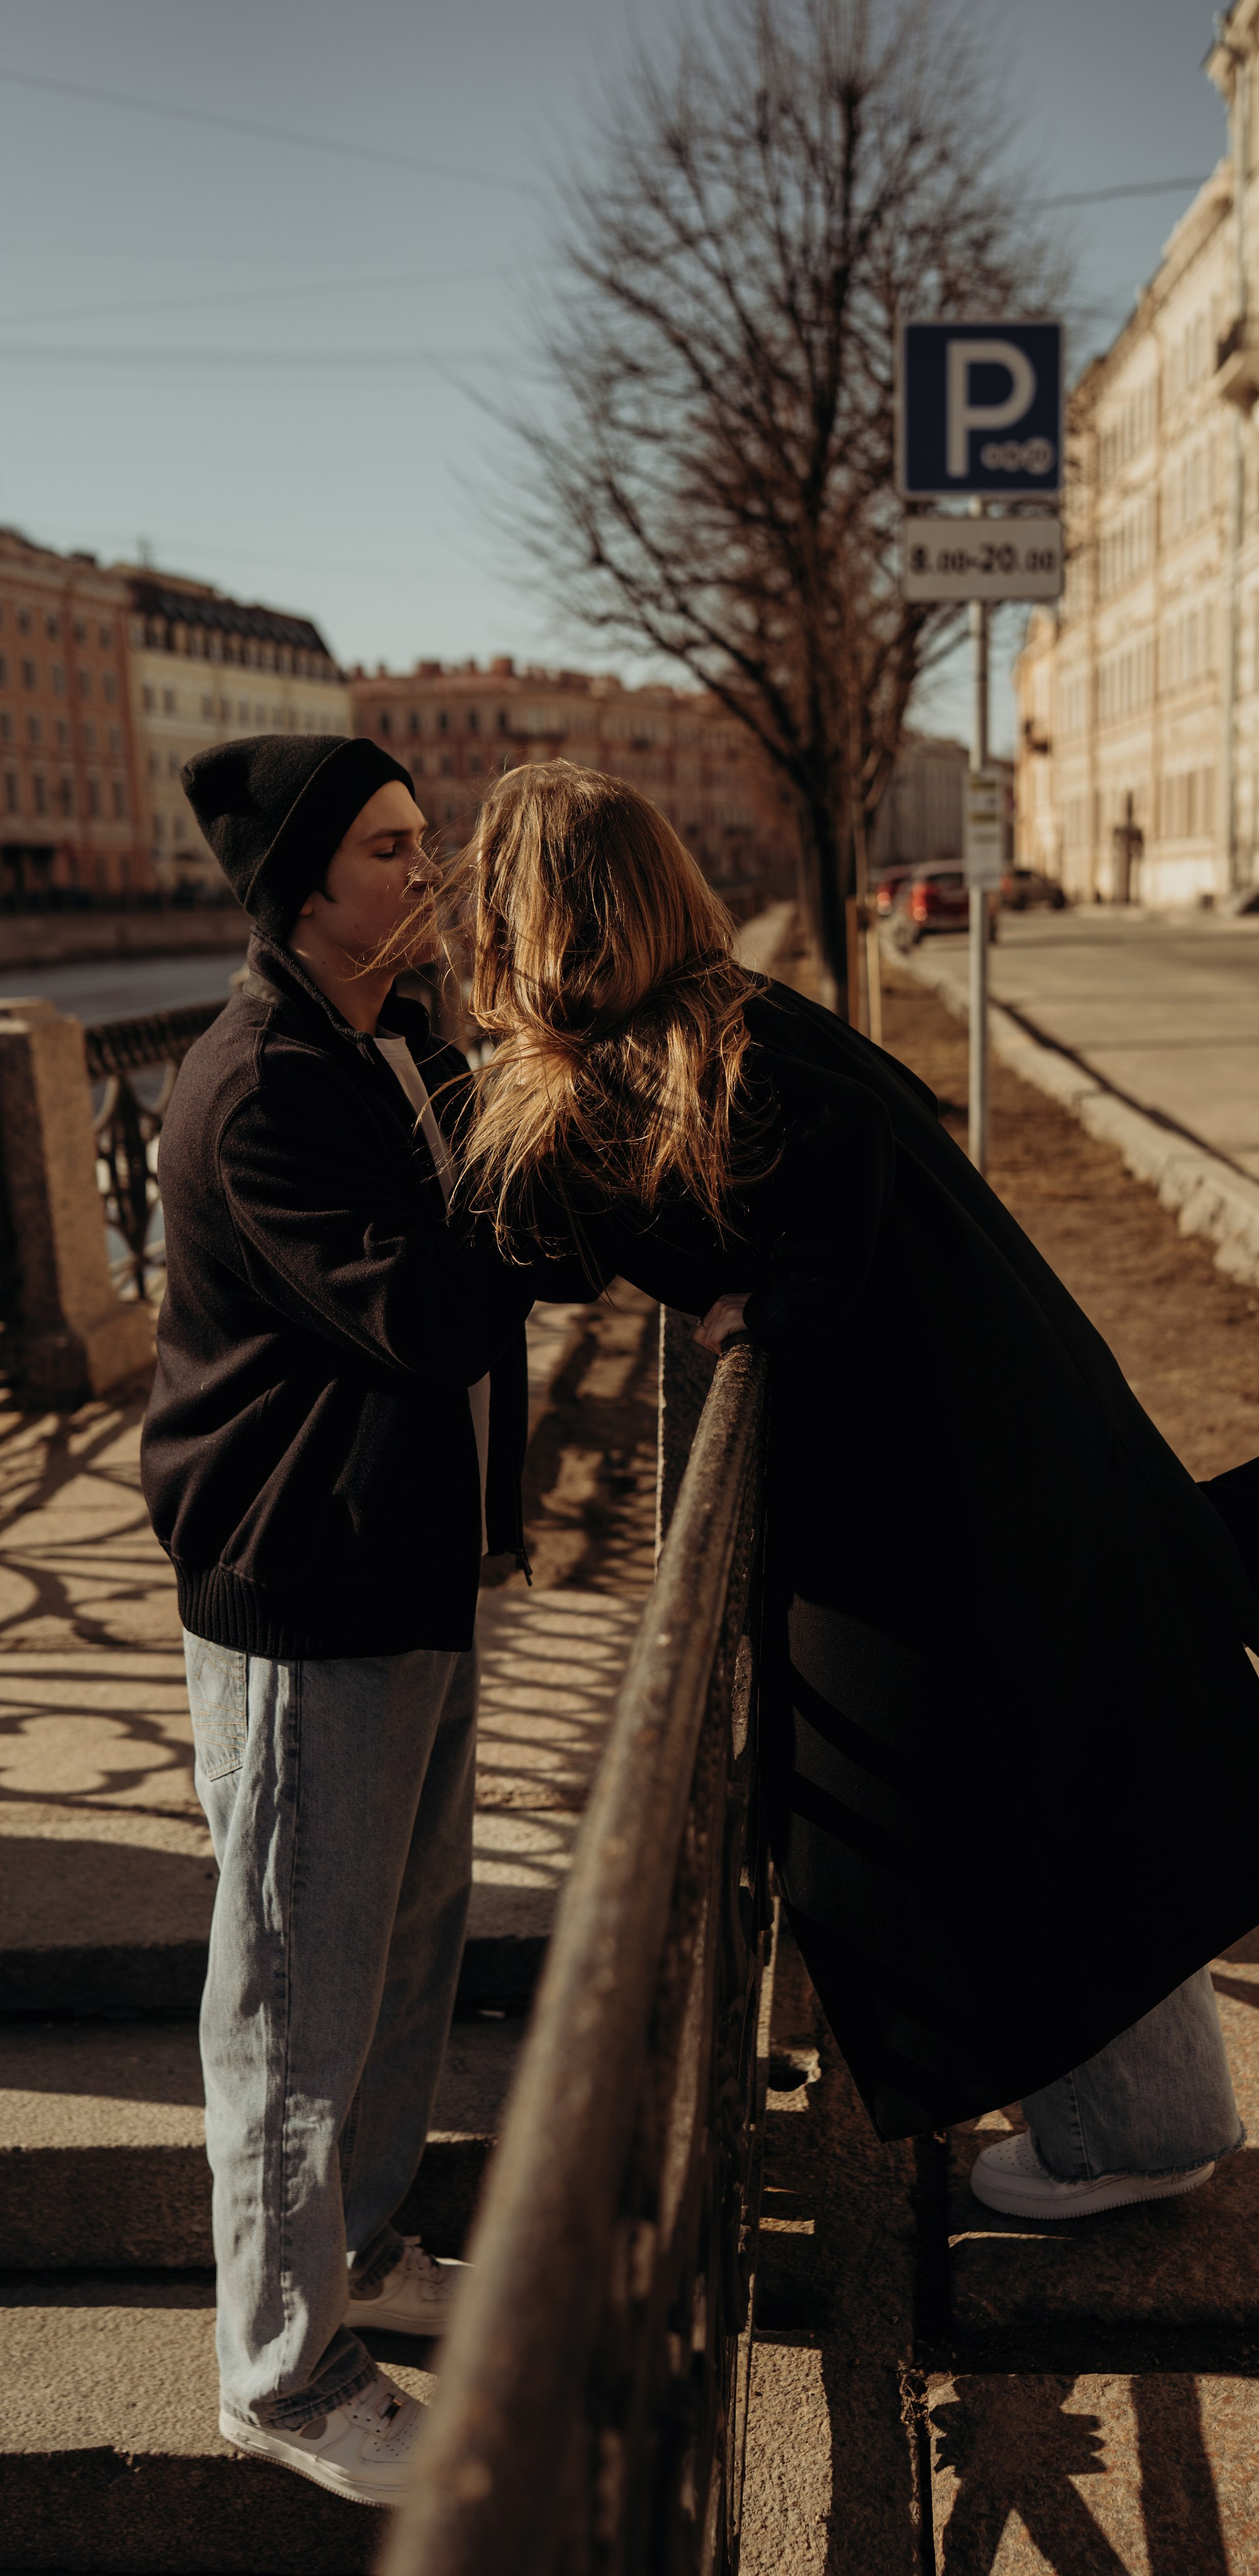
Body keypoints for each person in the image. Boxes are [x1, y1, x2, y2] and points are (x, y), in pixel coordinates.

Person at [441, 759, 1259, 2222]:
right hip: (1016, 1413)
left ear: (534, 927)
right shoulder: (745, 1024)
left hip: (934, 1484)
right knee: (1112, 1705)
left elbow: (501, 1251)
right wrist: (756, 1298)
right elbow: (842, 1195)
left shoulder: (623, 1082)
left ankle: (1139, 2133)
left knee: (987, 1787)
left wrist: (741, 1300)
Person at [141, 735, 551, 2508]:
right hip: (305, 1593)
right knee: (299, 1996)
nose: (432, 870)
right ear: (307, 885)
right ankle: (282, 2369)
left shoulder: (397, 1040)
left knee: (404, 1955)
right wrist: (553, 1165)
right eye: (396, 848)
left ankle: (364, 2247)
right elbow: (433, 1314)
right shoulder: (262, 1087)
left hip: (410, 1569)